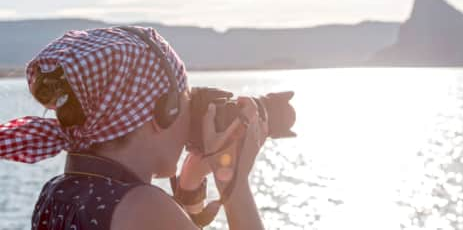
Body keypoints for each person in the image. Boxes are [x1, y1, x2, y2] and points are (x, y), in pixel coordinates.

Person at [0, 26, 267, 230]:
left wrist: (188, 190)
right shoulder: (145, 207)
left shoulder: (58, 191)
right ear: (162, 113)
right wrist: (235, 184)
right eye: (186, 102)